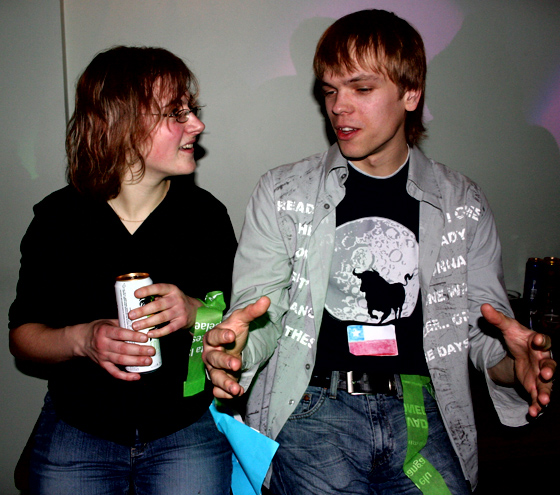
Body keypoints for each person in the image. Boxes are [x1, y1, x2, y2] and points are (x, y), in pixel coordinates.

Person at [202, 9, 556, 495]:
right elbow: (259, 314)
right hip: (315, 405)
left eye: (361, 89)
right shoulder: (284, 194)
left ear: (411, 94)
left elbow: (484, 334)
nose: (339, 107)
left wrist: (516, 367)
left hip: (422, 408)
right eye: (329, 91)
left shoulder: (461, 203)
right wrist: (234, 352)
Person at [9, 46, 238, 494]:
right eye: (176, 113)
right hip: (79, 426)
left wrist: (195, 311)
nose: (196, 124)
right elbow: (23, 337)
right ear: (121, 123)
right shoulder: (59, 219)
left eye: (193, 110)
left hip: (183, 426)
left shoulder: (205, 216)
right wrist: (83, 339)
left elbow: (238, 321)